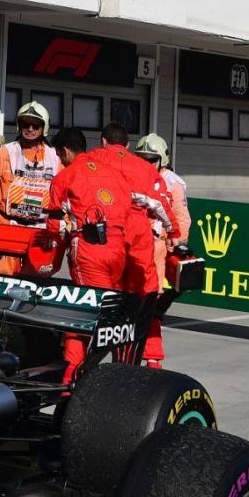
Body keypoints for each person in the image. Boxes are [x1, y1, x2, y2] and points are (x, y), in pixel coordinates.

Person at [80, 123, 177, 366]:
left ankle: (84, 364)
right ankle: (132, 362)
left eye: (152, 158)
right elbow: (164, 206)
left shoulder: (90, 160)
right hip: (140, 235)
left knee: (103, 302)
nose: (148, 161)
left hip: (105, 232)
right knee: (142, 300)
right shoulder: (145, 170)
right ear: (128, 145)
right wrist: (173, 233)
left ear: (103, 141)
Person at [44, 128, 132, 381]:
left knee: (82, 315)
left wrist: (60, 238)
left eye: (59, 155)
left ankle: (71, 380)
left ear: (64, 151)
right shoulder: (114, 173)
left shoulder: (65, 176)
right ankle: (122, 374)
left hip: (89, 250)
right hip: (119, 249)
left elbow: (54, 225)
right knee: (116, 315)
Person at [0, 101, 59, 274]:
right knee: (3, 279)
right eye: (26, 124)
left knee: (36, 281)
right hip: (7, 228)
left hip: (40, 233)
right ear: (19, 126)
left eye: (36, 125)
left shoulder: (55, 158)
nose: (30, 129)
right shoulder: (5, 153)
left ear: (44, 128)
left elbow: (63, 200)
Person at [134, 133, 191, 284]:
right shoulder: (133, 177)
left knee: (153, 288)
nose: (146, 164)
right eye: (141, 159)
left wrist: (177, 245)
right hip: (134, 242)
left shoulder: (172, 183)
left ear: (162, 160)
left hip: (158, 243)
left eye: (151, 160)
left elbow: (182, 218)